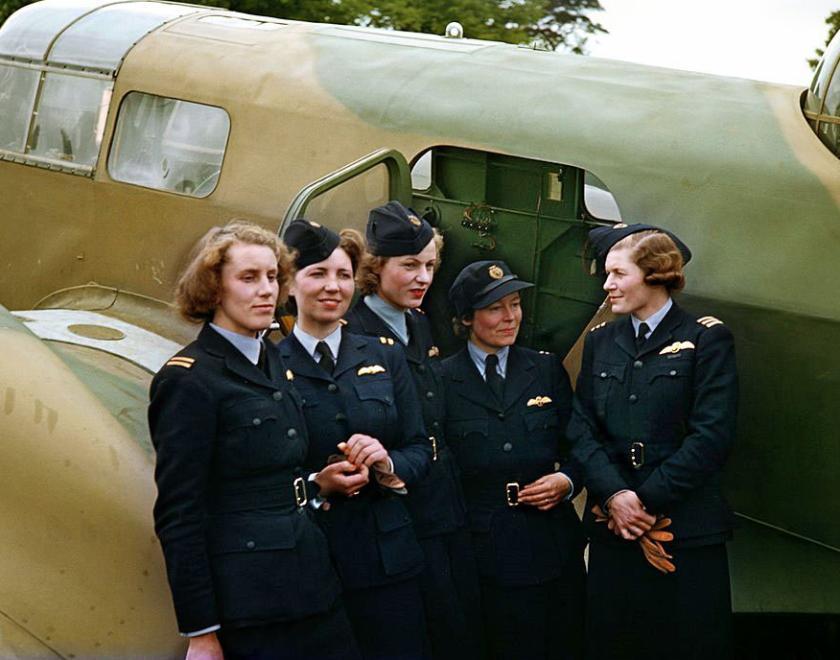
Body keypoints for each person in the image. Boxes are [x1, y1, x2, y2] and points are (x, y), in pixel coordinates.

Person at [148, 220, 359, 660]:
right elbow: (179, 513)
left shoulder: (272, 356)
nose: (266, 290)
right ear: (213, 289)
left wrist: (317, 484)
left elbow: (268, 469)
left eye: (271, 276)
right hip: (252, 603)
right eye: (248, 278)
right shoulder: (190, 380)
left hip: (313, 586)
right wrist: (201, 631)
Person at [568, 223, 738, 660]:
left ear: (655, 274)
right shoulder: (602, 340)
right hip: (613, 528)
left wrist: (643, 501)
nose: (607, 285)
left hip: (685, 531)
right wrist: (616, 494)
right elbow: (582, 426)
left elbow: (711, 436)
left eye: (618, 274)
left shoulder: (705, 339)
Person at [277, 219, 432, 660]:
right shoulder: (269, 365)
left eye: (343, 275)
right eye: (317, 274)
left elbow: (420, 448)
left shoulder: (386, 355)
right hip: (312, 564)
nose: (333, 286)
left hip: (389, 561)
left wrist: (388, 463)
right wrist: (315, 484)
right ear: (290, 285)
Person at [345, 201, 483, 659]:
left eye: (429, 265)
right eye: (410, 266)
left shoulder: (420, 324)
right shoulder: (350, 334)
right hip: (395, 518)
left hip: (442, 507)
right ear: (374, 267)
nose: (424, 278)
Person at [441, 260, 586, 660]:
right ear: (467, 318)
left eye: (516, 304)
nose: (510, 317)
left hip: (553, 541)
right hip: (485, 546)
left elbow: (579, 444)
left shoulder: (544, 368)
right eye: (495, 308)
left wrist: (568, 482)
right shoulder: (441, 380)